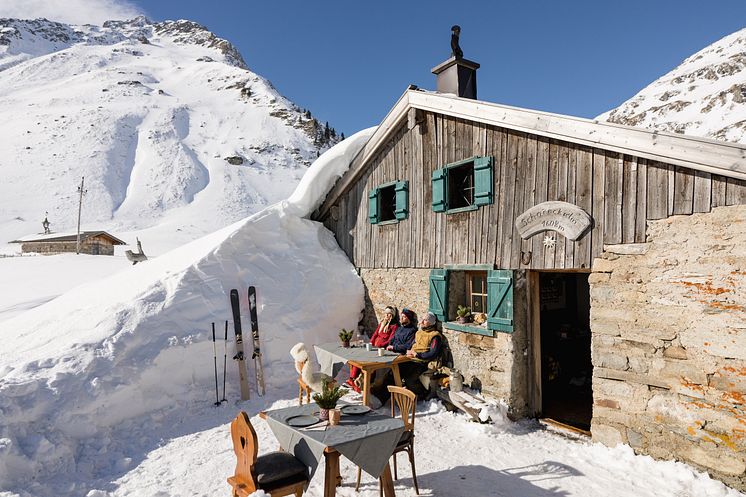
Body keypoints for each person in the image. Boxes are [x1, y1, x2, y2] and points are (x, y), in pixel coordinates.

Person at [345, 306, 398, 392]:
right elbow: (375, 334)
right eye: (386, 314)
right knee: (358, 359)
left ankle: (363, 383)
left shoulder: (393, 326)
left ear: (392, 315)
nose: (387, 316)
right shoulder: (382, 324)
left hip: (381, 349)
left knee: (370, 365)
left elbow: (390, 339)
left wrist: (382, 345)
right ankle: (352, 379)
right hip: (374, 346)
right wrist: (371, 343)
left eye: (389, 314)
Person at [400, 312, 442, 397]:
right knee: (393, 371)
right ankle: (380, 397)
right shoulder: (418, 333)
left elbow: (432, 354)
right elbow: (411, 344)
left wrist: (417, 355)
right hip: (410, 359)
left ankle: (422, 393)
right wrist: (408, 350)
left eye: (425, 320)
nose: (421, 322)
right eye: (422, 319)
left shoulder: (435, 336)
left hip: (422, 362)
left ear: (431, 323)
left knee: (409, 378)